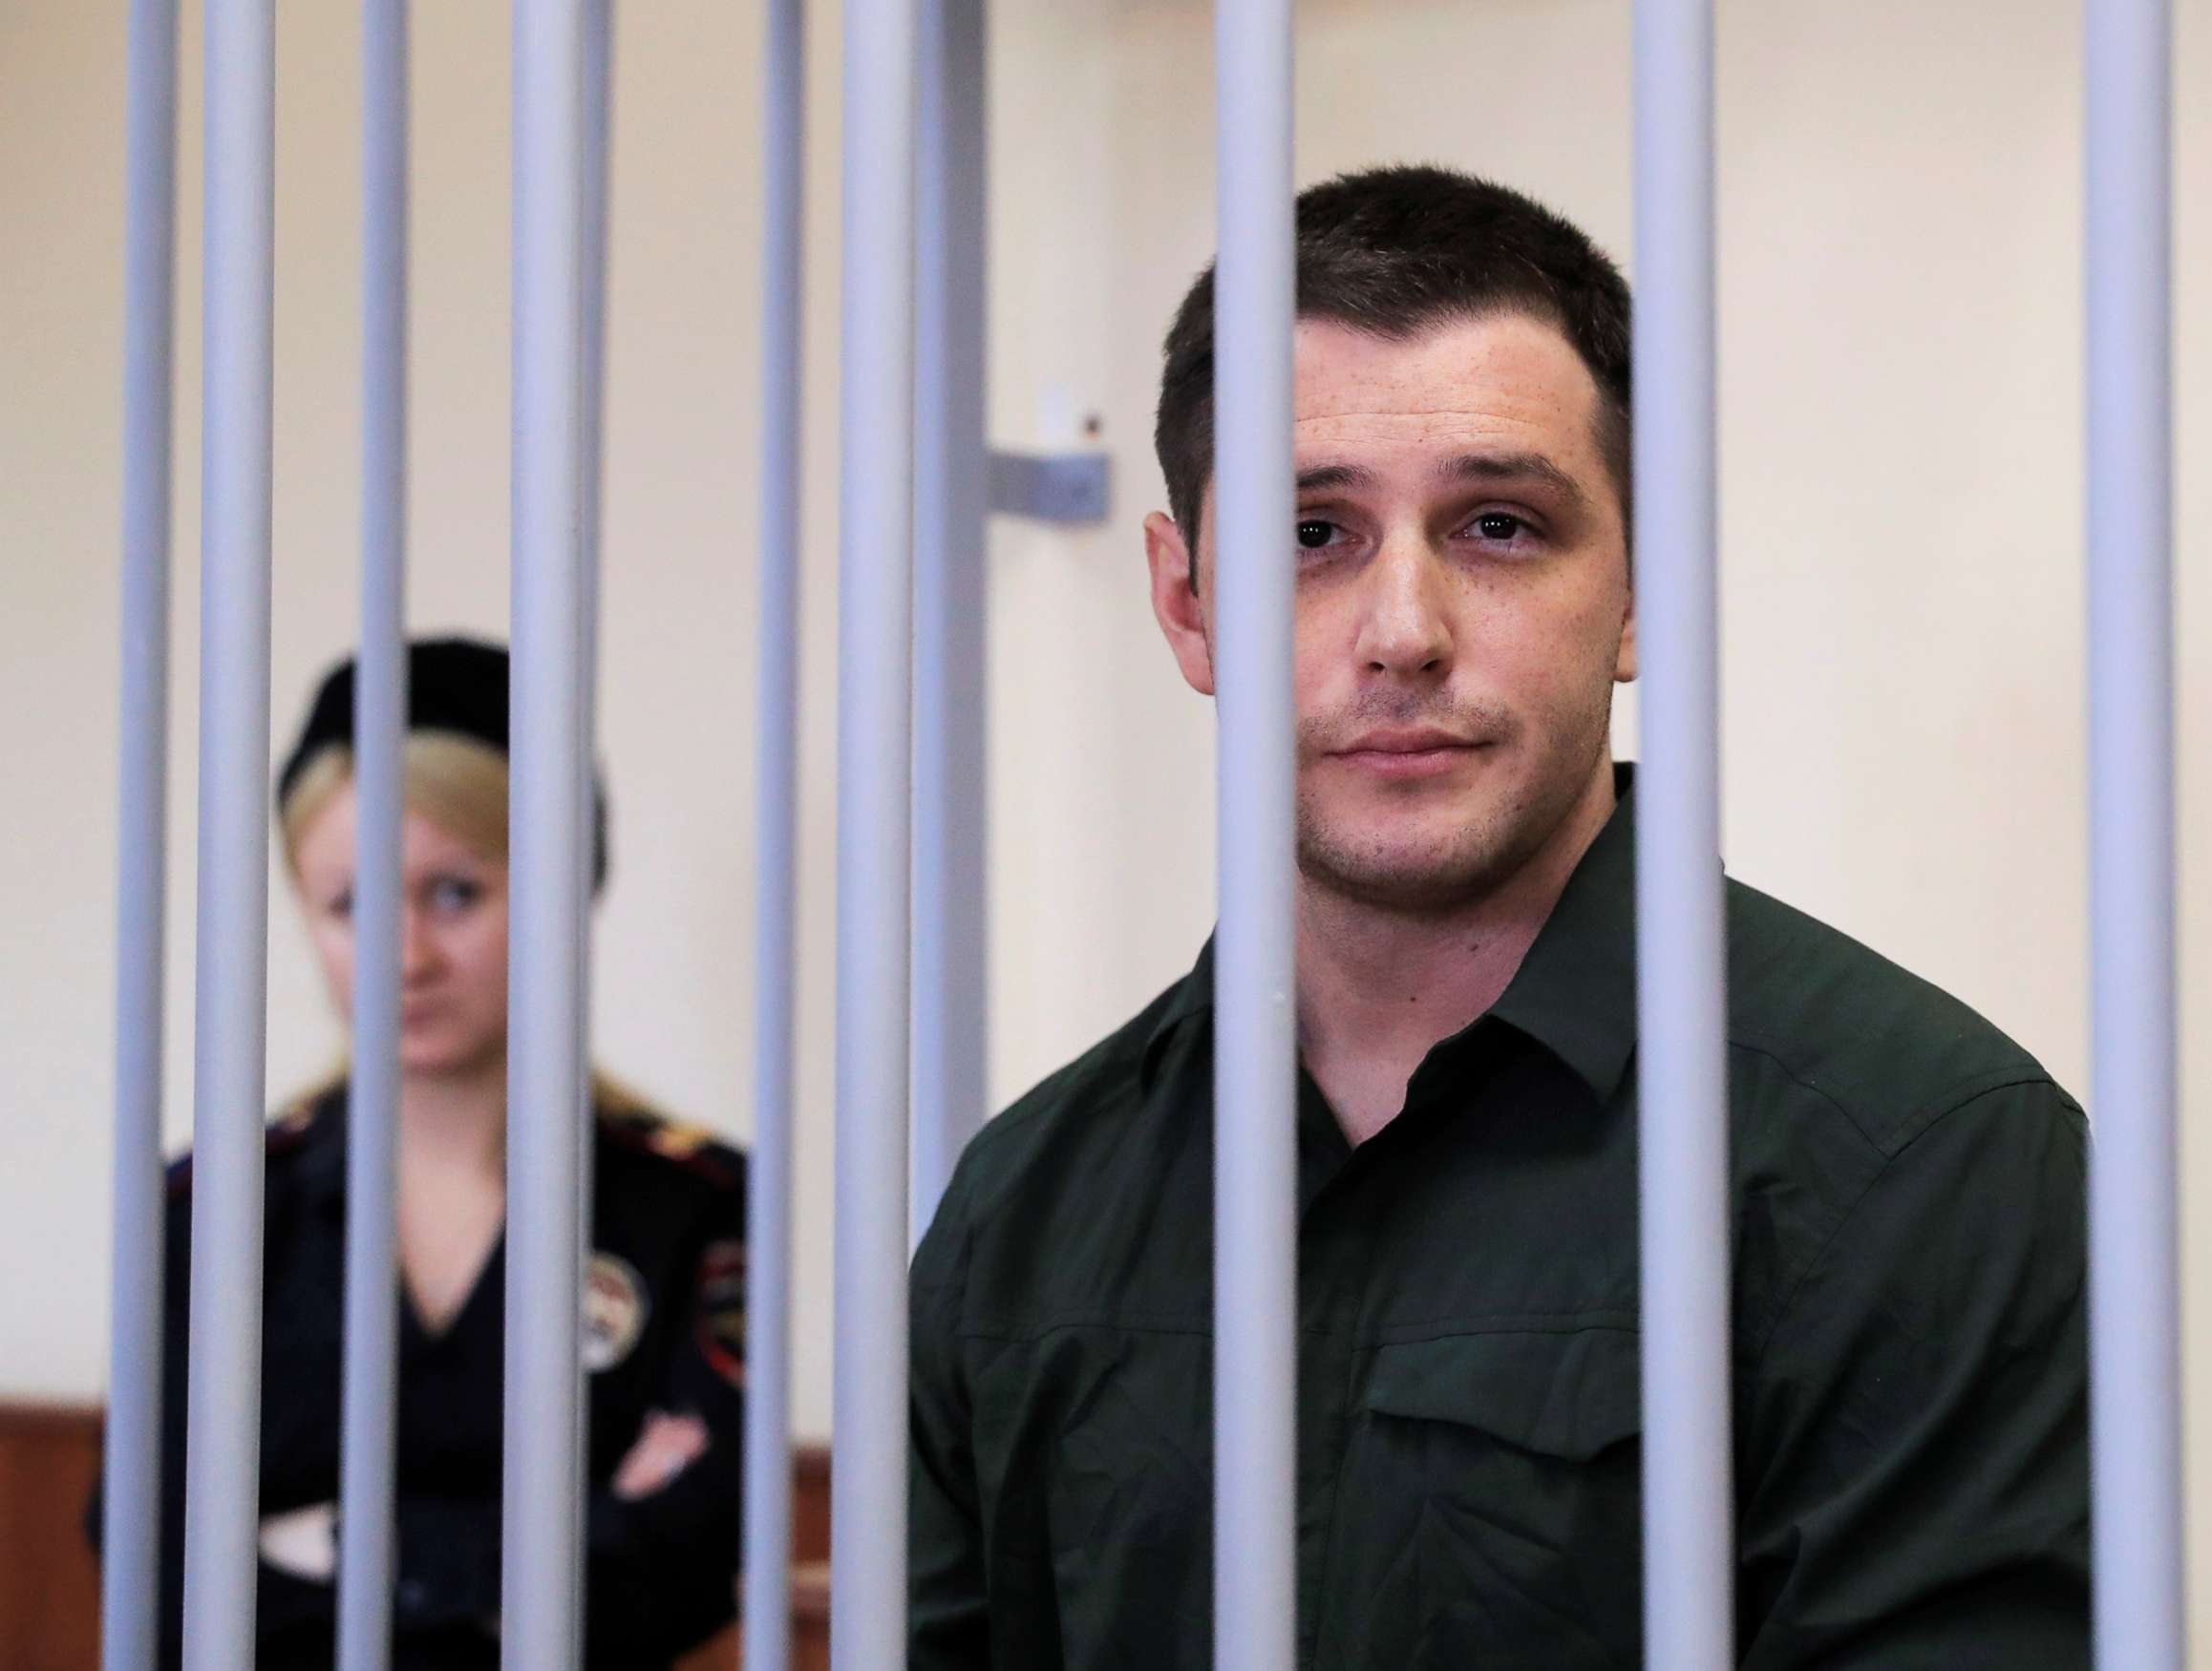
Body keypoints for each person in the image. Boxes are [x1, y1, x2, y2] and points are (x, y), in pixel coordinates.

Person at [907, 167, 2092, 1668]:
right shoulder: (1024, 1212)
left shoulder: (1921, 1161)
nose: (1404, 632)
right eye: (1311, 534)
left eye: (1499, 525)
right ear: (1188, 601)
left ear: (1644, 583)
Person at [94, 637, 747, 1670]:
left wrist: (334, 1542)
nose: (406, 957)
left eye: (454, 894)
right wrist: (538, 1551)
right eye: (352, 904)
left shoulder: (693, 1207)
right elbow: (151, 1559)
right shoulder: (215, 1209)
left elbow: (685, 1558)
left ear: (562, 890)